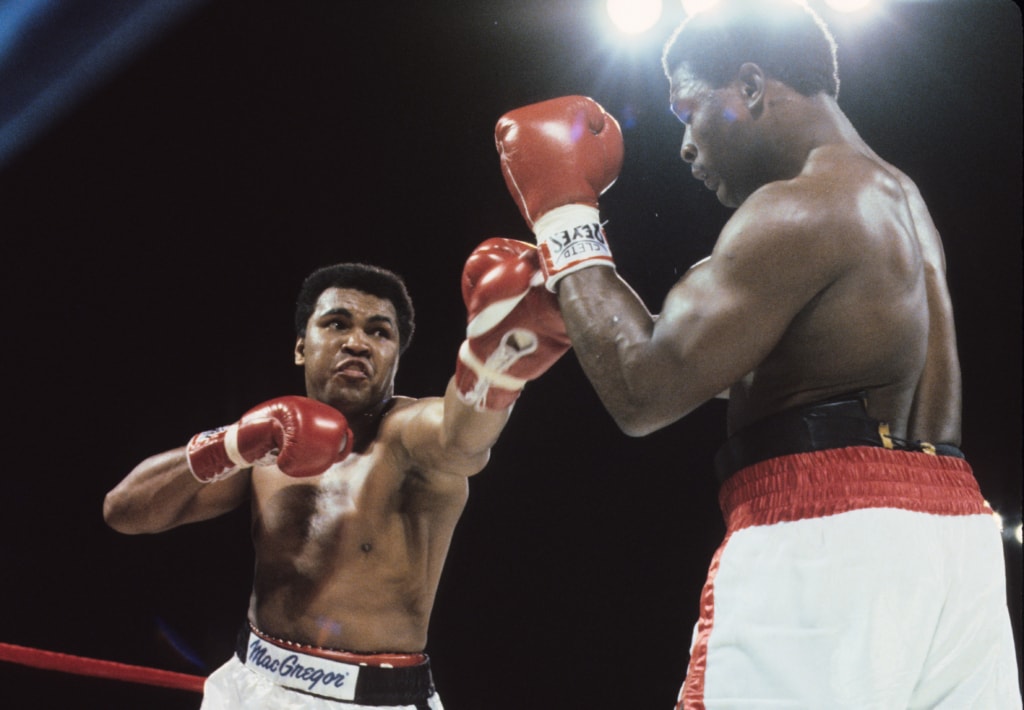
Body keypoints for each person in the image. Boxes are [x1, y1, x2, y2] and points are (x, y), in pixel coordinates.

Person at [491, 0, 1021, 707]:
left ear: (748, 85)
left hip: (827, 543)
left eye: (687, 113)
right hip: (957, 545)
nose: (684, 147)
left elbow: (643, 390)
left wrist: (563, 213)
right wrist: (582, 311)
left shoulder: (797, 209)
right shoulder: (899, 200)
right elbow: (769, 365)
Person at [103, 243, 570, 710]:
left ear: (396, 356)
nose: (357, 342)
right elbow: (123, 512)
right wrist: (229, 446)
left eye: (379, 332)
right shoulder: (267, 440)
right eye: (337, 323)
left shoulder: (411, 438)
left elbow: (463, 437)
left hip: (370, 701)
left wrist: (494, 367)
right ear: (301, 347)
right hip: (249, 684)